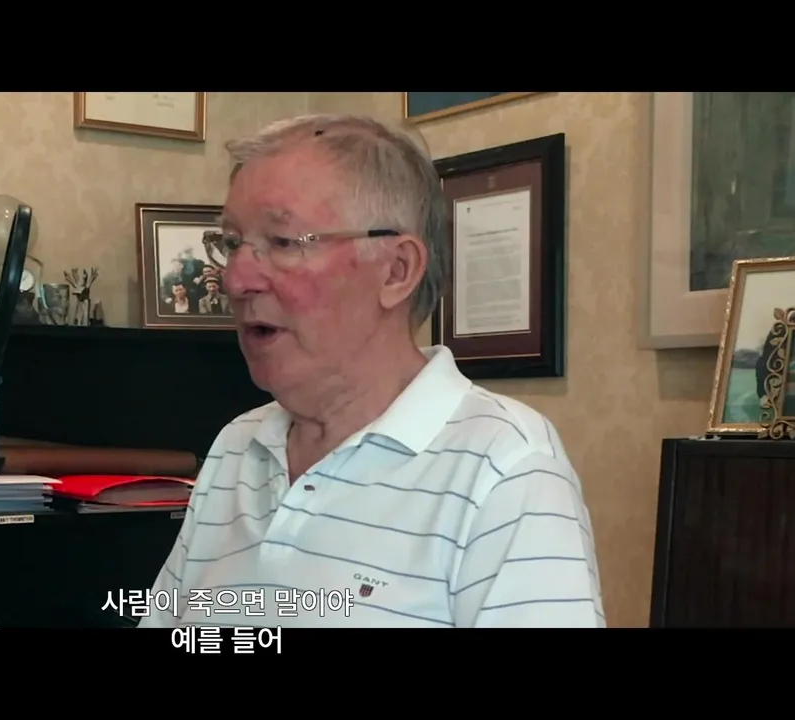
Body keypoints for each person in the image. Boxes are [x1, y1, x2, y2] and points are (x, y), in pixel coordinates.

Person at [138, 114, 604, 629]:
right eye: (231, 243)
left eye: (284, 241)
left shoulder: (506, 467)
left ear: (396, 270)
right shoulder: (236, 446)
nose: (236, 279)